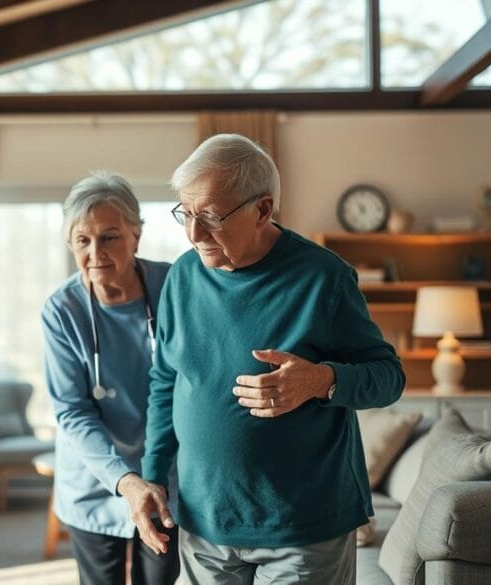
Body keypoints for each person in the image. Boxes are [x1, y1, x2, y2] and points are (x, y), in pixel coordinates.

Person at [117, 134, 405, 585]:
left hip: (304, 527)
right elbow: (166, 380)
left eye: (210, 216)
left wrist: (320, 380)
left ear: (263, 209)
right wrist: (152, 476)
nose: (194, 234)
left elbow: (389, 378)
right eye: (185, 213)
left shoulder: (324, 277)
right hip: (204, 522)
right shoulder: (182, 277)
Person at [42, 171, 180, 585]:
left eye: (110, 237)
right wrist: (124, 480)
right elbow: (72, 412)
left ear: (136, 235)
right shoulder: (62, 311)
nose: (95, 252)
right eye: (82, 240)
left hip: (164, 475)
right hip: (94, 476)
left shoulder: (173, 286)